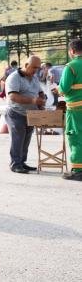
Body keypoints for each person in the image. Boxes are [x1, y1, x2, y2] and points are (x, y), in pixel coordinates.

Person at [4, 56, 45, 174]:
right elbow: (13, 96)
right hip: (16, 113)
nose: (35, 71)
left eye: (37, 68)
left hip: (30, 113)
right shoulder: (14, 77)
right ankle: (15, 164)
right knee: (18, 138)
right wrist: (33, 101)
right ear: (26, 65)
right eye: (34, 68)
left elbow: (40, 92)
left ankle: (22, 162)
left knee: (26, 139)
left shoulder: (34, 78)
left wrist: (42, 99)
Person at [59, 39, 82, 181]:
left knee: (75, 136)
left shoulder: (71, 66)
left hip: (76, 109)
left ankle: (78, 170)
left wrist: (58, 89)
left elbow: (64, 88)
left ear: (72, 51)